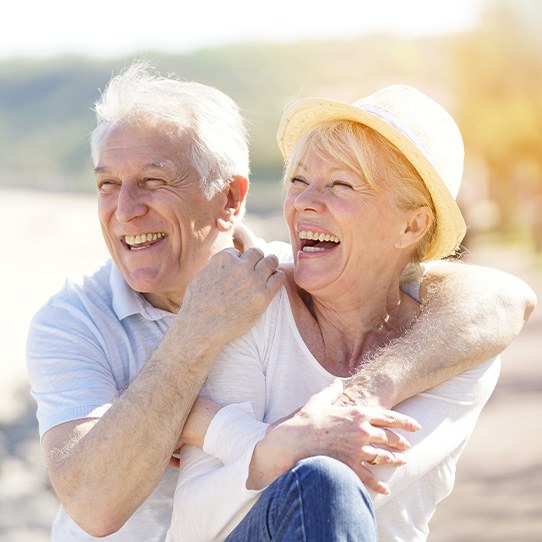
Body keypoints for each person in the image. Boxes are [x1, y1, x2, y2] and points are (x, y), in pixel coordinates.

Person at [25, 61, 535, 541]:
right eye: (107, 185)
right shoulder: (76, 319)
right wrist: (197, 339)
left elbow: (502, 296)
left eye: (154, 182)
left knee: (326, 484)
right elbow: (95, 505)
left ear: (230, 199)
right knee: (324, 482)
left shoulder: (271, 293)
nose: (125, 210)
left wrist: (354, 396)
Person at [165, 85, 537, 541]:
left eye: (340, 185)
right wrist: (268, 444)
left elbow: (356, 480)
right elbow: (194, 527)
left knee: (327, 484)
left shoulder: (456, 348)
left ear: (411, 225)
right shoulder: (258, 308)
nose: (303, 202)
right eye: (299, 181)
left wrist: (212, 426)